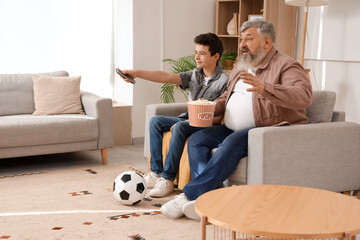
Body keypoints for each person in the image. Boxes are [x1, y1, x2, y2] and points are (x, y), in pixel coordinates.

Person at [160, 19, 313, 220]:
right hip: (230, 126)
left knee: (232, 142)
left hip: (264, 129)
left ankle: (190, 194)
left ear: (267, 42)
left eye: (249, 39)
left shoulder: (286, 65)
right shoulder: (243, 65)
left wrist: (265, 87)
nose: (242, 44)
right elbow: (227, 96)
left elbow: (304, 96)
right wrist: (211, 106)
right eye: (242, 39)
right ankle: (206, 199)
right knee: (198, 140)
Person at [120, 33, 229, 198]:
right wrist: (136, 73)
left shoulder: (224, 81)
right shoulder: (195, 74)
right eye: (196, 52)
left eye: (202, 53)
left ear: (215, 56)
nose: (197, 57)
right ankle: (156, 173)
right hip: (188, 119)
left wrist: (189, 120)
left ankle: (167, 179)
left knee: (179, 126)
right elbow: (166, 77)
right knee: (155, 121)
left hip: (208, 124)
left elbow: (221, 117)